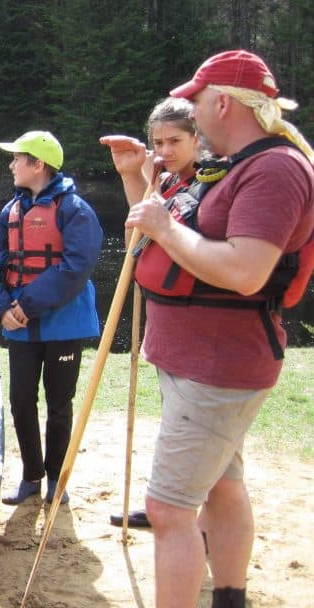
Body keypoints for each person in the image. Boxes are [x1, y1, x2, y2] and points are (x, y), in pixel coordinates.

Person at [124, 50, 314, 608]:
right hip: (200, 362)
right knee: (222, 485)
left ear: (223, 102)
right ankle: (229, 598)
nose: (193, 113)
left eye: (197, 101)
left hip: (216, 367)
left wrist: (162, 225)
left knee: (169, 510)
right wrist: (148, 199)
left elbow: (244, 271)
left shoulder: (274, 169)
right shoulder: (239, 164)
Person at [100, 97, 202, 529]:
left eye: (175, 140)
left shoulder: (210, 183)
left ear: (199, 138)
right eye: (157, 142)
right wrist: (133, 175)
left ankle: (196, 518)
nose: (164, 151)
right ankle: (171, 503)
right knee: (176, 422)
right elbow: (137, 241)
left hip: (202, 327)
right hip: (168, 324)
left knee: (201, 432)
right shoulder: (168, 182)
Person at [0, 130, 102, 506]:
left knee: (59, 402)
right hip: (19, 323)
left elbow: (76, 267)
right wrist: (2, 307)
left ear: (38, 165)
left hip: (62, 323)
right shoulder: (11, 211)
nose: (11, 164)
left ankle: (57, 478)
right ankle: (32, 476)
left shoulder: (75, 210)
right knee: (20, 401)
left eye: (17, 158)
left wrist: (27, 305)